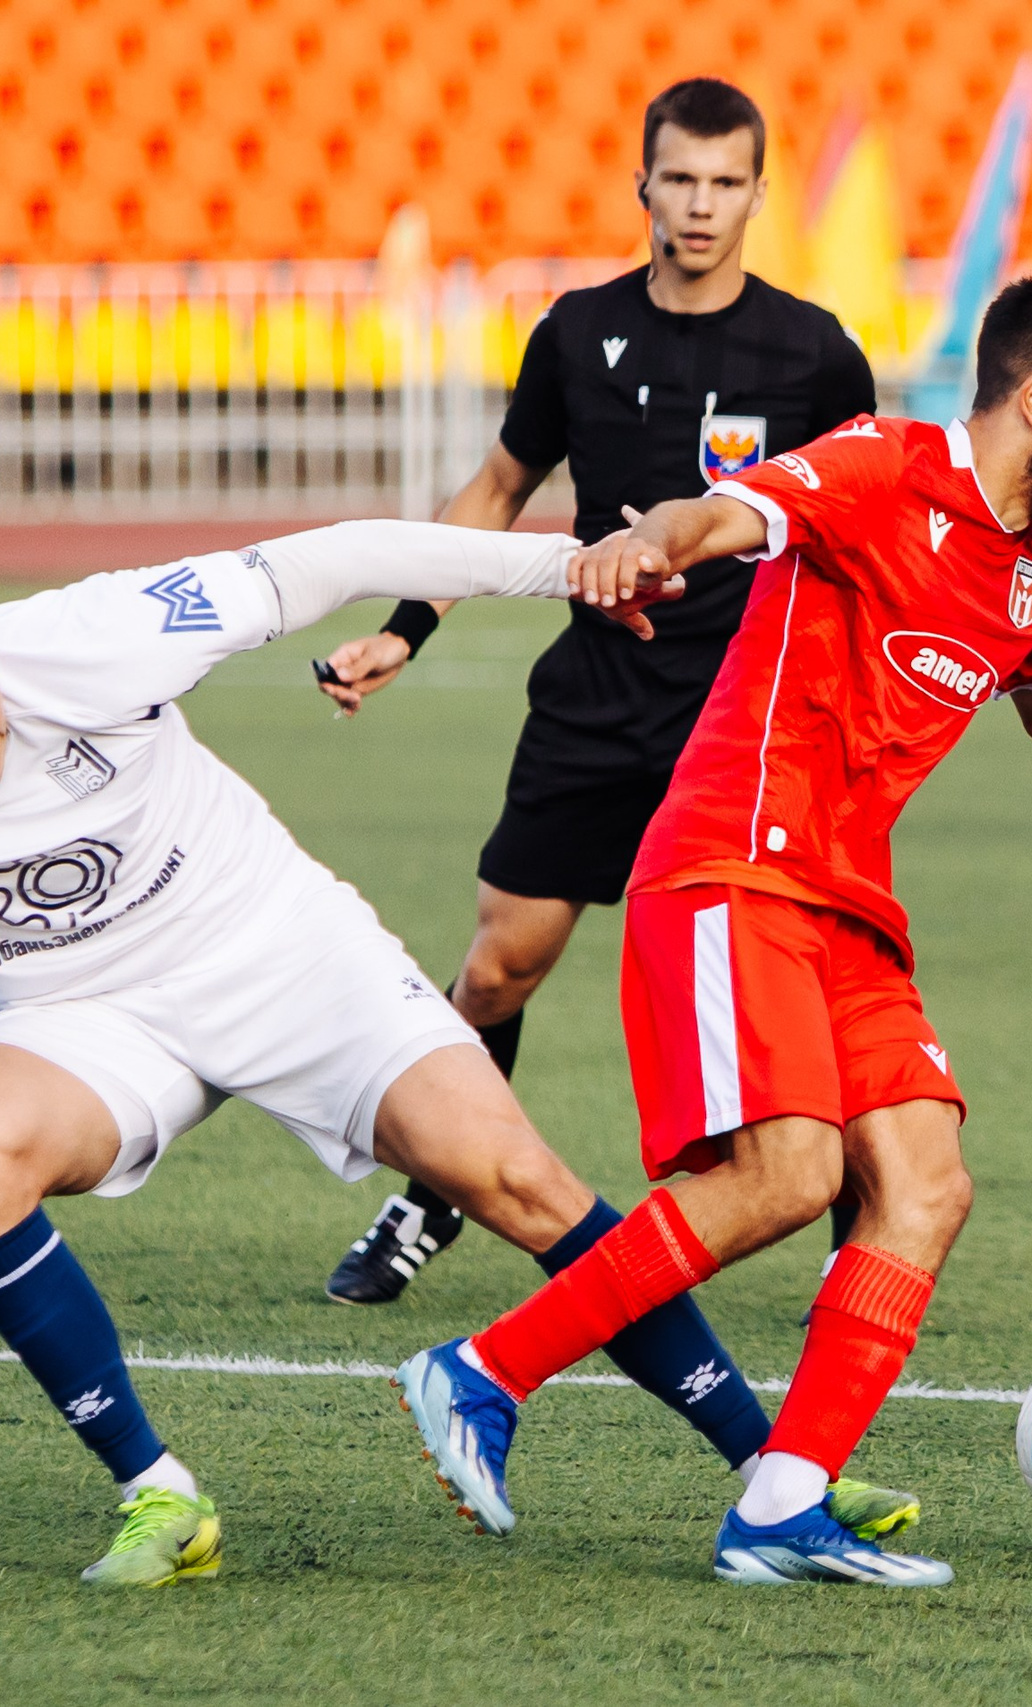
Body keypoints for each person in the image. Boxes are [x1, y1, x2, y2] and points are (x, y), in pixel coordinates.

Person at [0, 521, 882, 1587]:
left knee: (519, 1178)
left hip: (276, 944)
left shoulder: (86, 637)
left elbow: (330, 560)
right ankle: (160, 1492)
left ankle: (772, 1470)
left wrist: (564, 564)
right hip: (86, 1016)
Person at [390, 272, 1032, 1589]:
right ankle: (481, 1371)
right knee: (788, 1173)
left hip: (852, 905)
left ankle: (782, 1506)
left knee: (925, 1183)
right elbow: (727, 511)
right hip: (735, 864)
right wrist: (653, 543)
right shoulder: (880, 465)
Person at [312, 76, 877, 1307]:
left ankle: (862, 1226)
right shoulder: (577, 332)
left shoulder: (815, 351)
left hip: (740, 724)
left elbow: (860, 521)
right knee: (497, 970)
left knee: (808, 981)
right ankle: (432, 1194)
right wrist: (406, 626)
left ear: (758, 195)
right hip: (594, 703)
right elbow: (497, 489)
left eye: (724, 183)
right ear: (643, 187)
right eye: (680, 179)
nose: (700, 204)